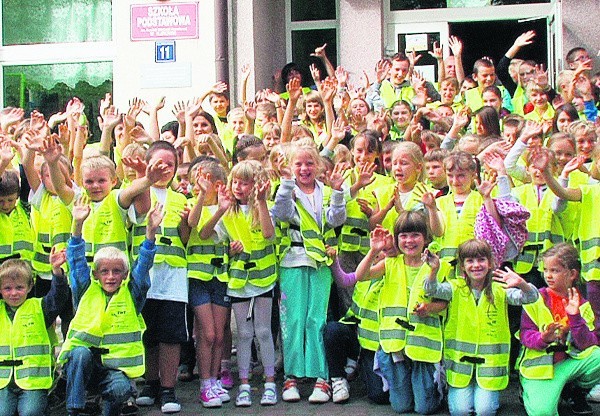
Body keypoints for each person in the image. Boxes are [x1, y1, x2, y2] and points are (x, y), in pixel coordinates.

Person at [59, 198, 162, 416]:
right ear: (96, 274)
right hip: (86, 364)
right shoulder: (85, 289)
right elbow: (76, 262)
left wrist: (150, 234)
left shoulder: (132, 294)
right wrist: (77, 226)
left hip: (115, 369)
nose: (110, 276)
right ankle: (75, 409)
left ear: (125, 274)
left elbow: (143, 267)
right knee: (79, 355)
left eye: (116, 271)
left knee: (119, 390)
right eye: (104, 271)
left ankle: (111, 406)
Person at [424, 239, 539, 416]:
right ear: (462, 266)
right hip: (460, 368)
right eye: (470, 261)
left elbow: (530, 298)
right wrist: (434, 270)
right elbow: (431, 290)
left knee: (484, 411)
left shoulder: (500, 289)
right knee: (461, 411)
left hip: (489, 369)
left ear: (491, 263)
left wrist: (521, 283)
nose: (476, 265)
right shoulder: (455, 288)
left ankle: (487, 396)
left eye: (481, 260)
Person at [271, 142, 346, 403]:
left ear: (319, 166)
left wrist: (337, 193)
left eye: (310, 163)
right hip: (291, 262)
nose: (304, 169)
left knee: (317, 320)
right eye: (299, 164)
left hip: (321, 263)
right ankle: (291, 377)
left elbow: (336, 220)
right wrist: (286, 186)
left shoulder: (326, 191)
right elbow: (280, 214)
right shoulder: (285, 190)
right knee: (293, 320)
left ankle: (321, 379)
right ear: (291, 167)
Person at [355, 212, 451, 414]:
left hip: (422, 343)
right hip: (395, 342)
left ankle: (438, 386)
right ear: (397, 239)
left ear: (425, 238)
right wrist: (373, 251)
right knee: (401, 406)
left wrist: (429, 309)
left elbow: (444, 303)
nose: (409, 241)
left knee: (424, 408)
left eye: (415, 235)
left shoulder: (436, 266)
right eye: (403, 236)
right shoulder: (391, 264)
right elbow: (360, 275)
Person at [200, 160, 278, 407]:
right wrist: (230, 249)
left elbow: (268, 234)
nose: (239, 187)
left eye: (245, 183)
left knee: (264, 332)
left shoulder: (266, 207)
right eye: (236, 182)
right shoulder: (228, 211)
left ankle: (269, 382)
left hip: (264, 278)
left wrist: (263, 202)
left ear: (256, 185)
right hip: (238, 280)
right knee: (244, 333)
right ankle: (244, 383)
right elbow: (208, 235)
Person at [133, 141, 191, 414]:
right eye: (159, 163)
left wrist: (186, 222)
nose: (165, 169)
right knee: (148, 334)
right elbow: (139, 214)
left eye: (171, 164)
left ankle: (169, 388)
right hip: (145, 275)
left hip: (174, 277)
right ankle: (151, 382)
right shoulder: (138, 191)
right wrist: (144, 178)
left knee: (171, 335)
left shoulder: (181, 198)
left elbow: (186, 239)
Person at [519, 243, 600, 416]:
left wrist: (575, 317)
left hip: (568, 364)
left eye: (554, 270)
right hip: (541, 369)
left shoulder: (582, 303)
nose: (548, 275)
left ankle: (575, 390)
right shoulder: (537, 297)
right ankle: (526, 389)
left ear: (571, 274)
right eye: (546, 270)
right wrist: (543, 338)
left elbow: (589, 344)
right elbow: (525, 335)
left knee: (598, 355)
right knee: (543, 413)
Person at [185, 159, 232, 407]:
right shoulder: (195, 205)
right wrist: (205, 199)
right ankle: (204, 383)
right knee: (208, 332)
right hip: (198, 277)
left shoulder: (228, 207)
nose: (198, 185)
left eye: (204, 182)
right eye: (196, 182)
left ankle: (214, 381)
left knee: (219, 335)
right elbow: (198, 228)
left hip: (220, 276)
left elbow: (231, 238)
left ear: (218, 184)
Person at [0, 255, 68, 416]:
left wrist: (57, 272)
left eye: (19, 287)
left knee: (30, 412)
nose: (14, 293)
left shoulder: (40, 307)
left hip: (33, 381)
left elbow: (58, 296)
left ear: (30, 286)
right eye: (7, 288)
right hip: (3, 381)